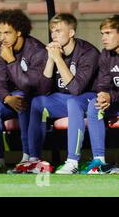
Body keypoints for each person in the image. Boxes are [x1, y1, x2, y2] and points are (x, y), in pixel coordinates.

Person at [27, 13, 99, 174]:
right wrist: (51, 60)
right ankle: (34, 160)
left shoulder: (88, 52)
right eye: (52, 31)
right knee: (37, 102)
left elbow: (76, 89)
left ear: (71, 33)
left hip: (89, 98)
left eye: (59, 31)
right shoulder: (53, 52)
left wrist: (58, 59)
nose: (54, 35)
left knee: (73, 102)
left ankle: (72, 161)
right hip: (64, 99)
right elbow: (43, 90)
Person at [0, 9, 47, 173]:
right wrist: (5, 97)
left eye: (7, 32)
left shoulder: (37, 50)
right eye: (0, 33)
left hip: (31, 98)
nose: (2, 37)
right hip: (9, 98)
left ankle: (28, 157)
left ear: (19, 32)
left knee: (23, 97)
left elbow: (29, 85)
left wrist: (11, 60)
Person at [82, 15, 119, 174]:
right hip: (115, 101)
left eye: (108, 33)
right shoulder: (105, 54)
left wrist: (111, 96)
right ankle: (100, 162)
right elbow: (103, 84)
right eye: (102, 33)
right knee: (95, 104)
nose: (104, 38)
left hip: (116, 99)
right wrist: (104, 95)